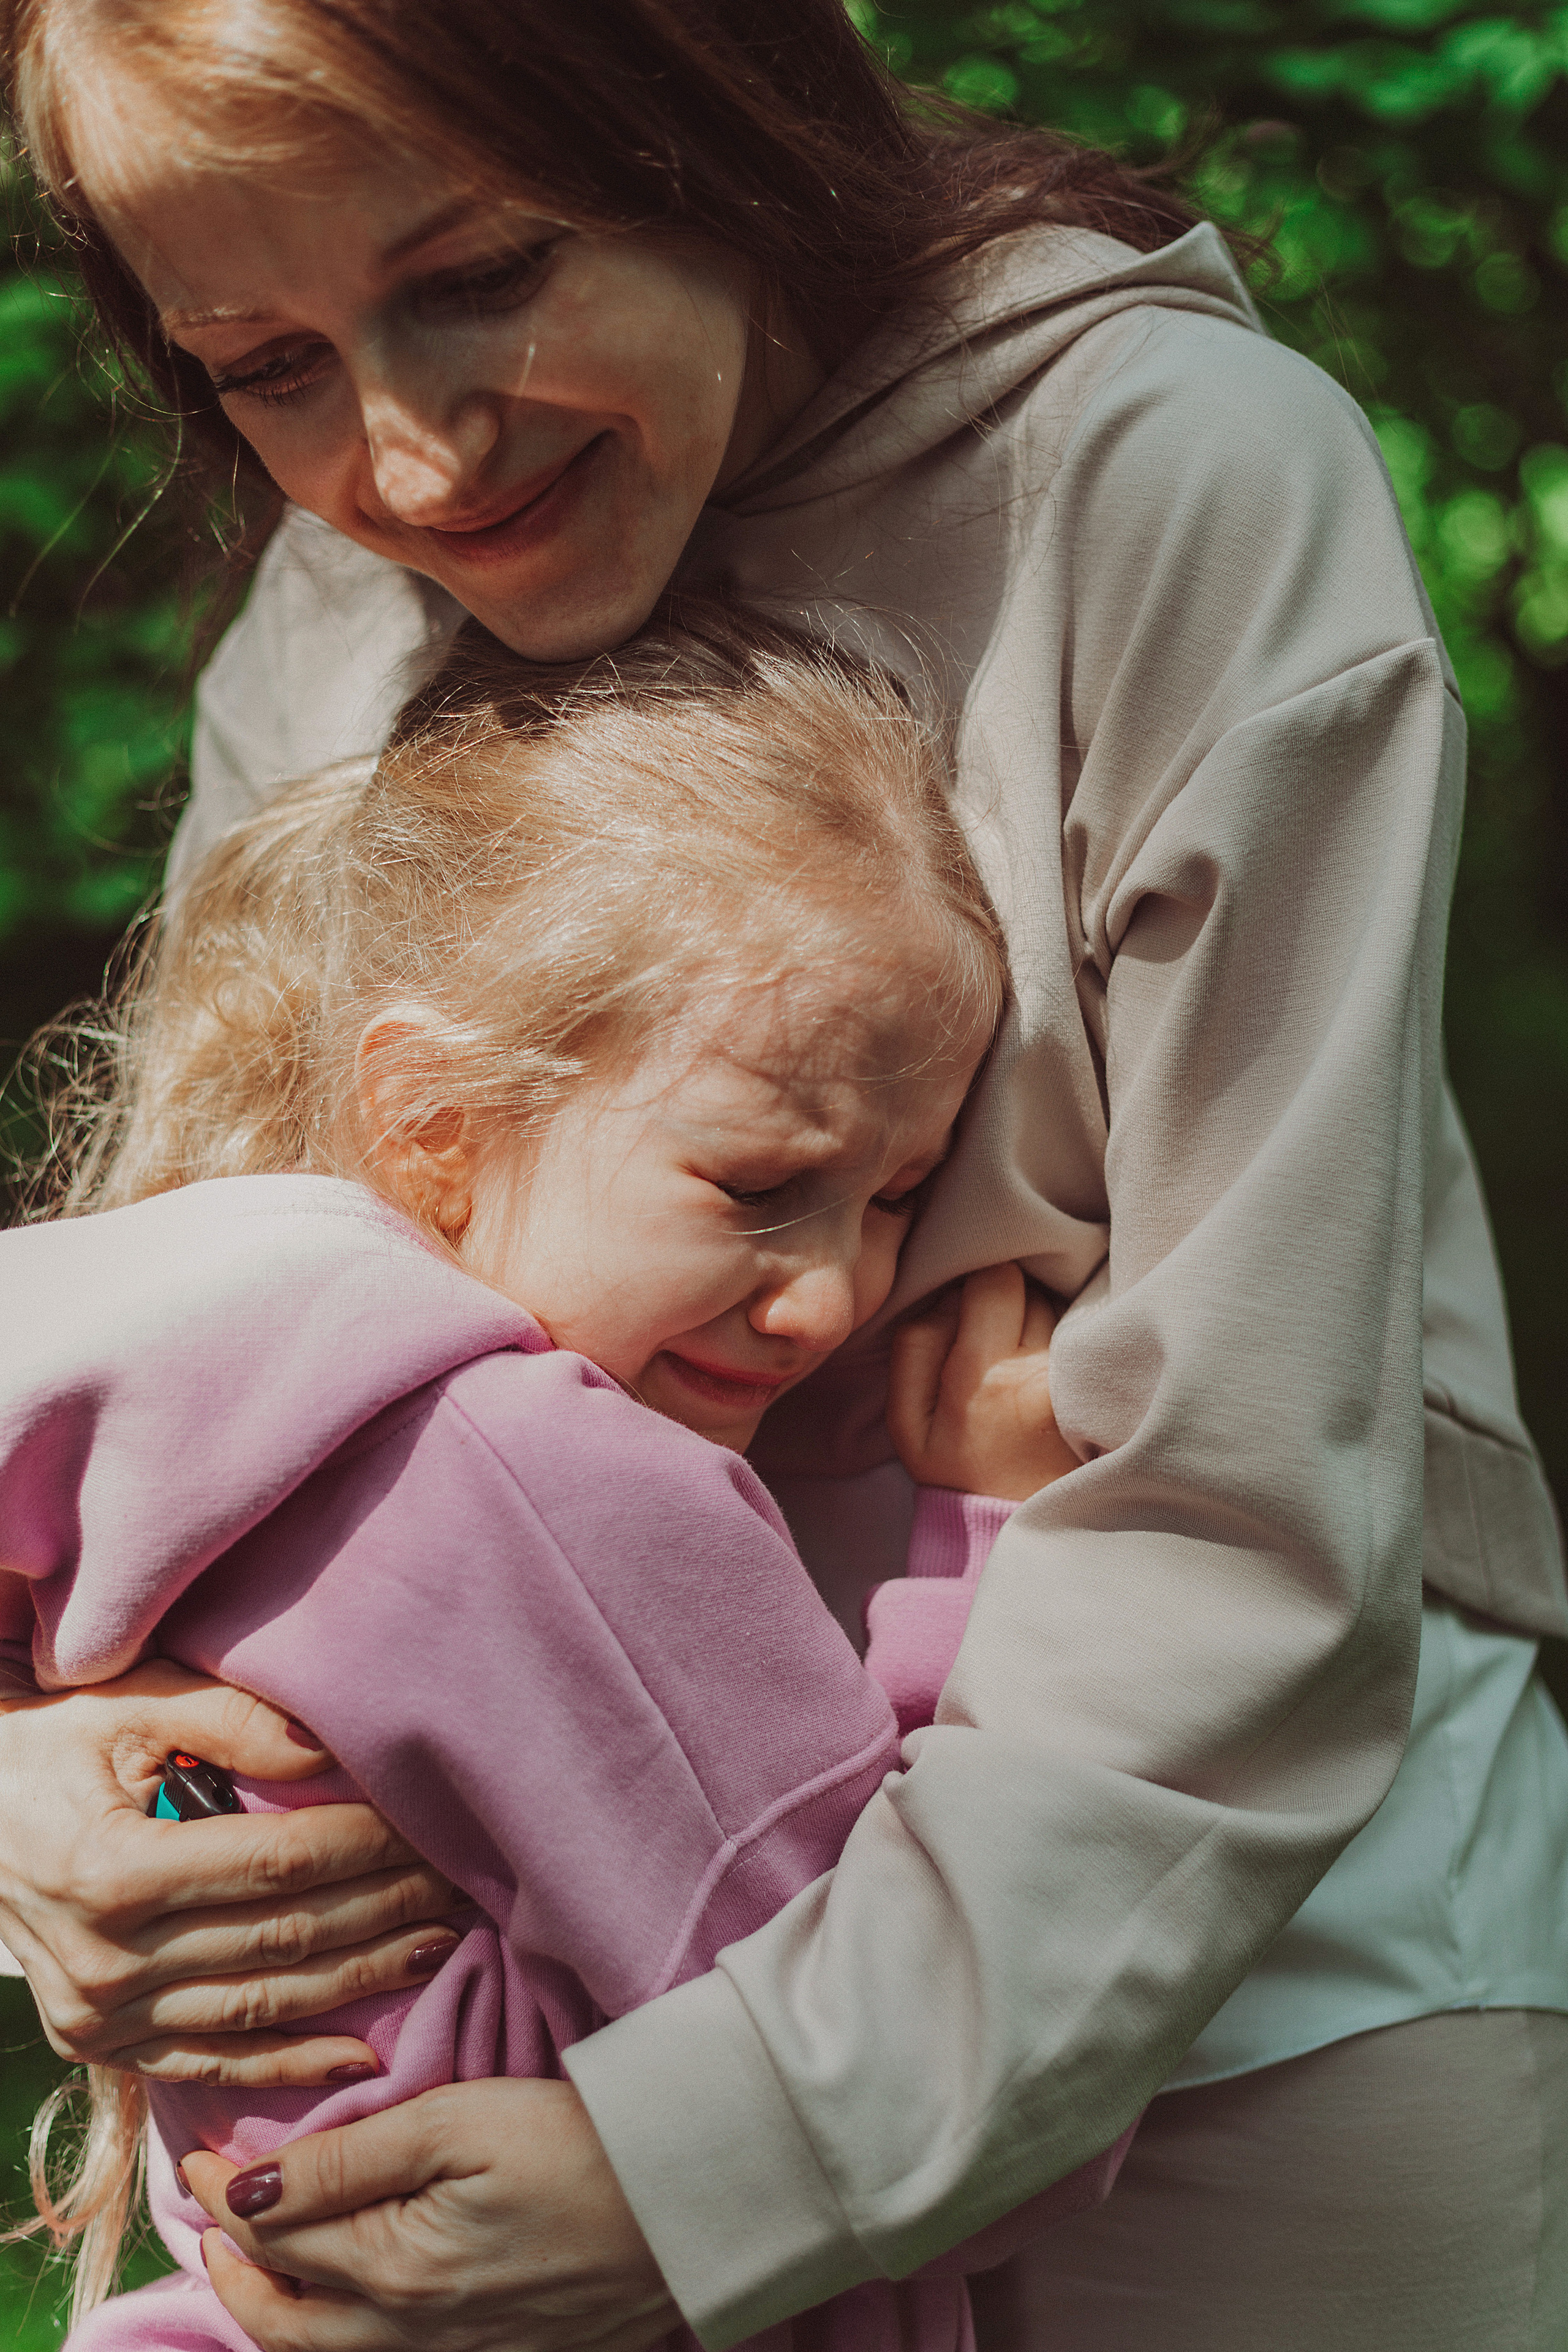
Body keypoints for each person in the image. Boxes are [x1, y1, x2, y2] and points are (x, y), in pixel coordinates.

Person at [1, 3, 1565, 2347]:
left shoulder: (1165, 483)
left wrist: (731, 2151)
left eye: (476, 273)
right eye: (266, 363)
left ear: (708, 117)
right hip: (526, 2060)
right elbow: (215, 1360)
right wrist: (38, 1778)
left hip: (1244, 2024)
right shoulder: (323, 640)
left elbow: (1248, 1493)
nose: (411, 456)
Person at [4, 610, 1132, 2352]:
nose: (834, 1297)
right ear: (437, 1120)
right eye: (761, 1184)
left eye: (897, 1197)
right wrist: (1010, 1534)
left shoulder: (187, 1399)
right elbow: (933, 2032)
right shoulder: (556, 1486)